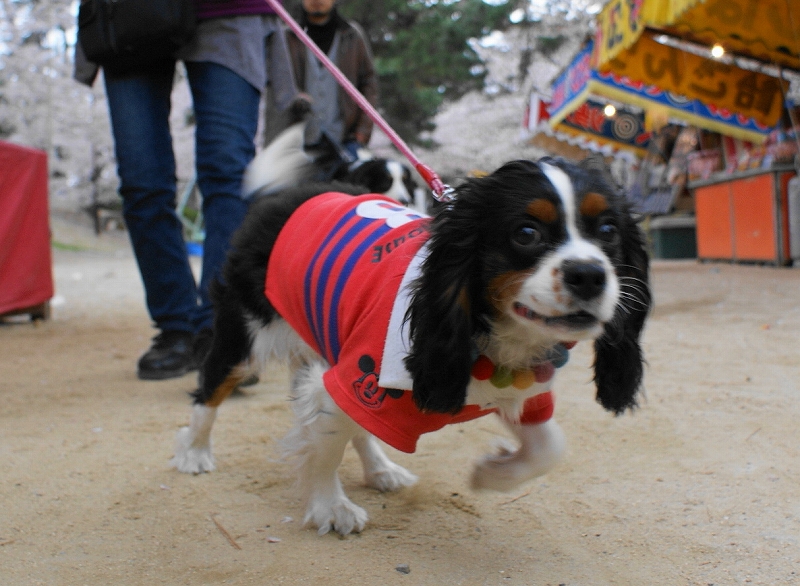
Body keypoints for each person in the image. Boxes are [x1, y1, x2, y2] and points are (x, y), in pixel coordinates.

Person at [74, 0, 297, 380]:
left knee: (228, 173)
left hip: (230, 10)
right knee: (141, 181)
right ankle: (175, 327)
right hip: (127, 15)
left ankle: (220, 329)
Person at [282, 0, 378, 161]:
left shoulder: (352, 35)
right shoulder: (288, 36)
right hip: (296, 144)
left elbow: (369, 84)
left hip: (344, 142)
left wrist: (361, 134)